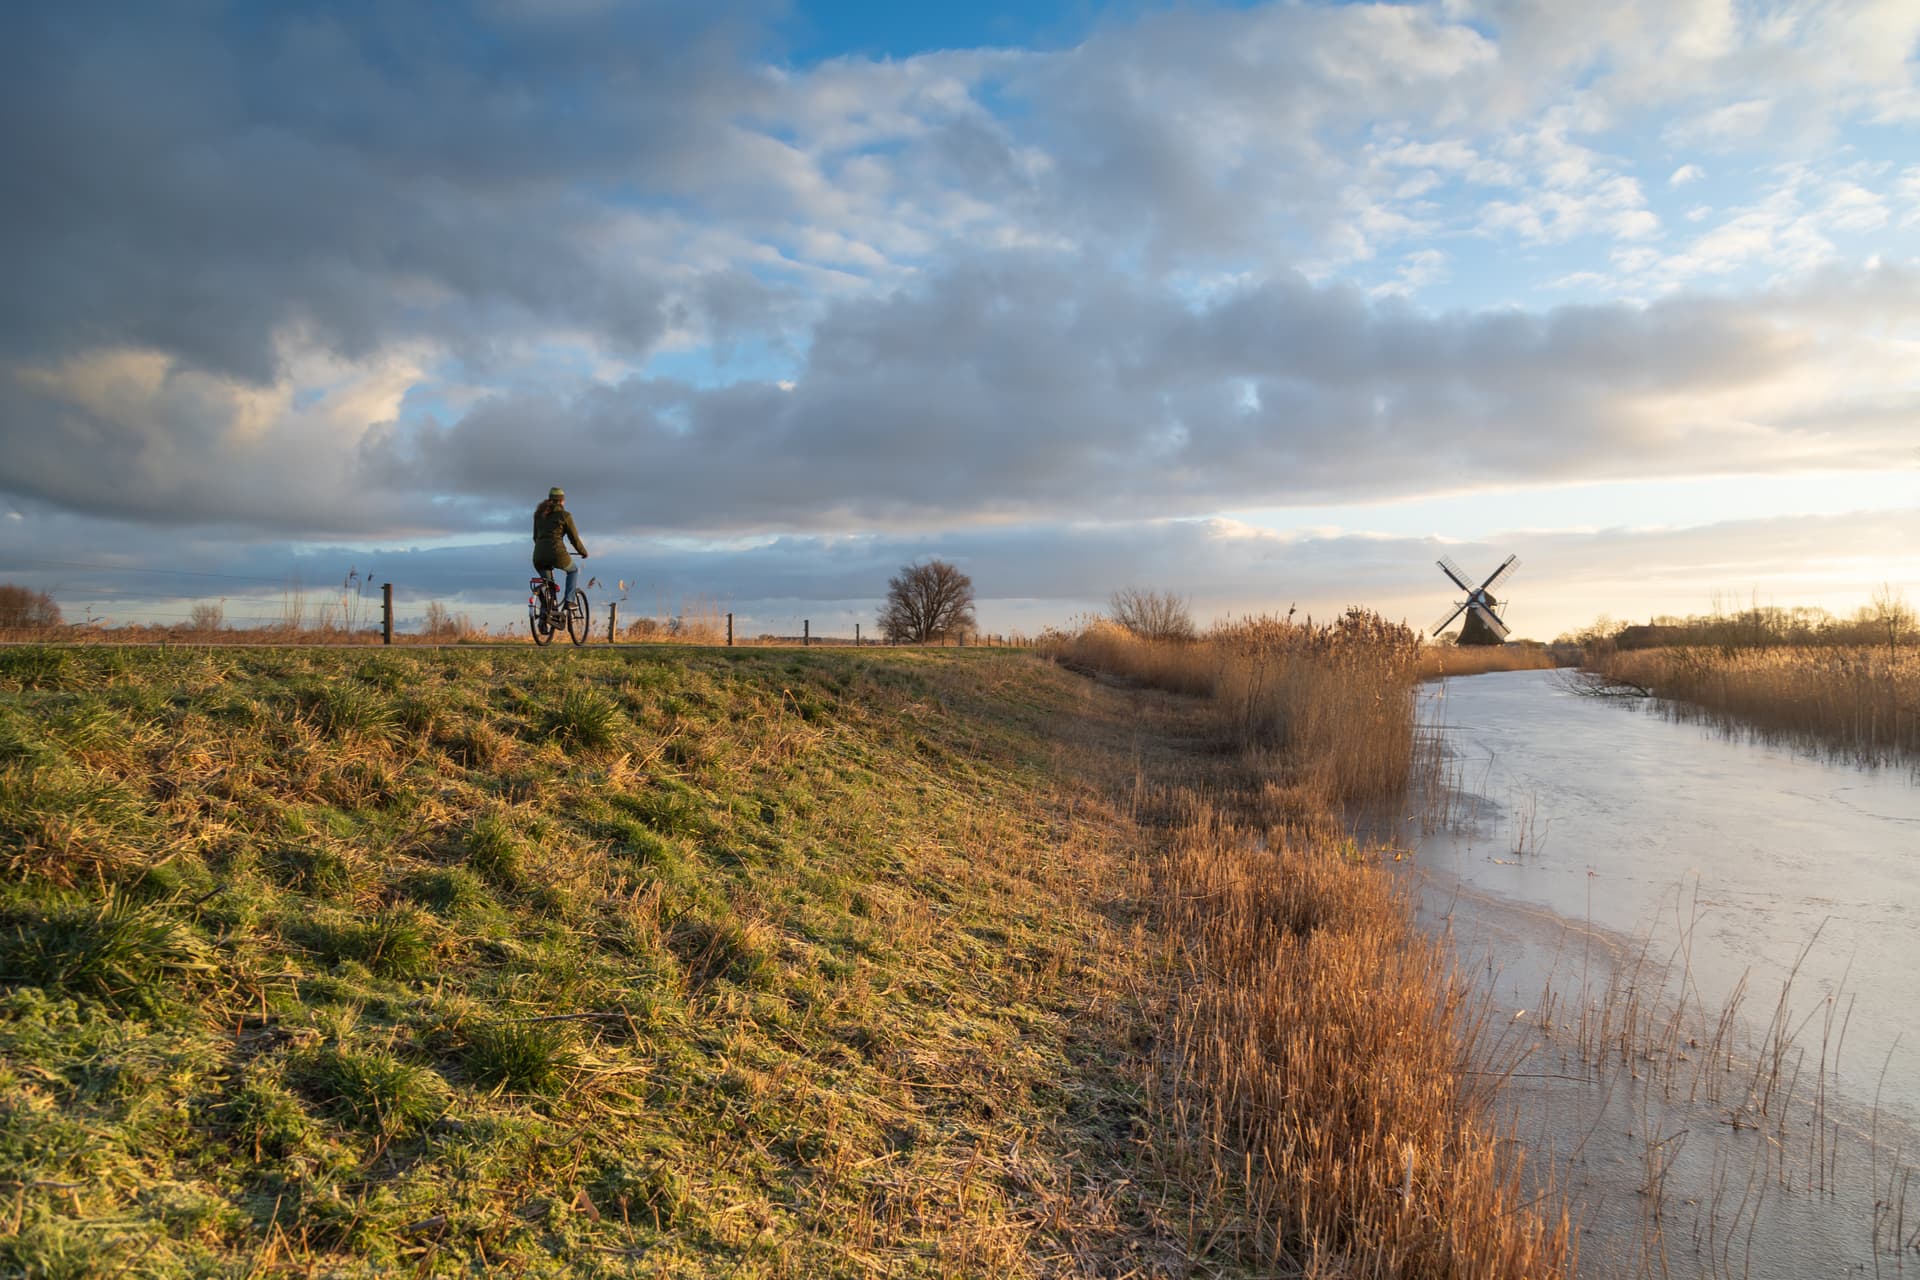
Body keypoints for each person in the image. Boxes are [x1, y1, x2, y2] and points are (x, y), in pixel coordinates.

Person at [532, 487, 588, 610]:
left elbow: (535, 537)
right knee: (573, 570)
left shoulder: (538, 515)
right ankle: (569, 601)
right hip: (557, 553)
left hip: (538, 556)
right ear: (562, 501)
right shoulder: (565, 516)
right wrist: (583, 552)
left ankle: (547, 612)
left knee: (548, 584)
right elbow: (574, 539)